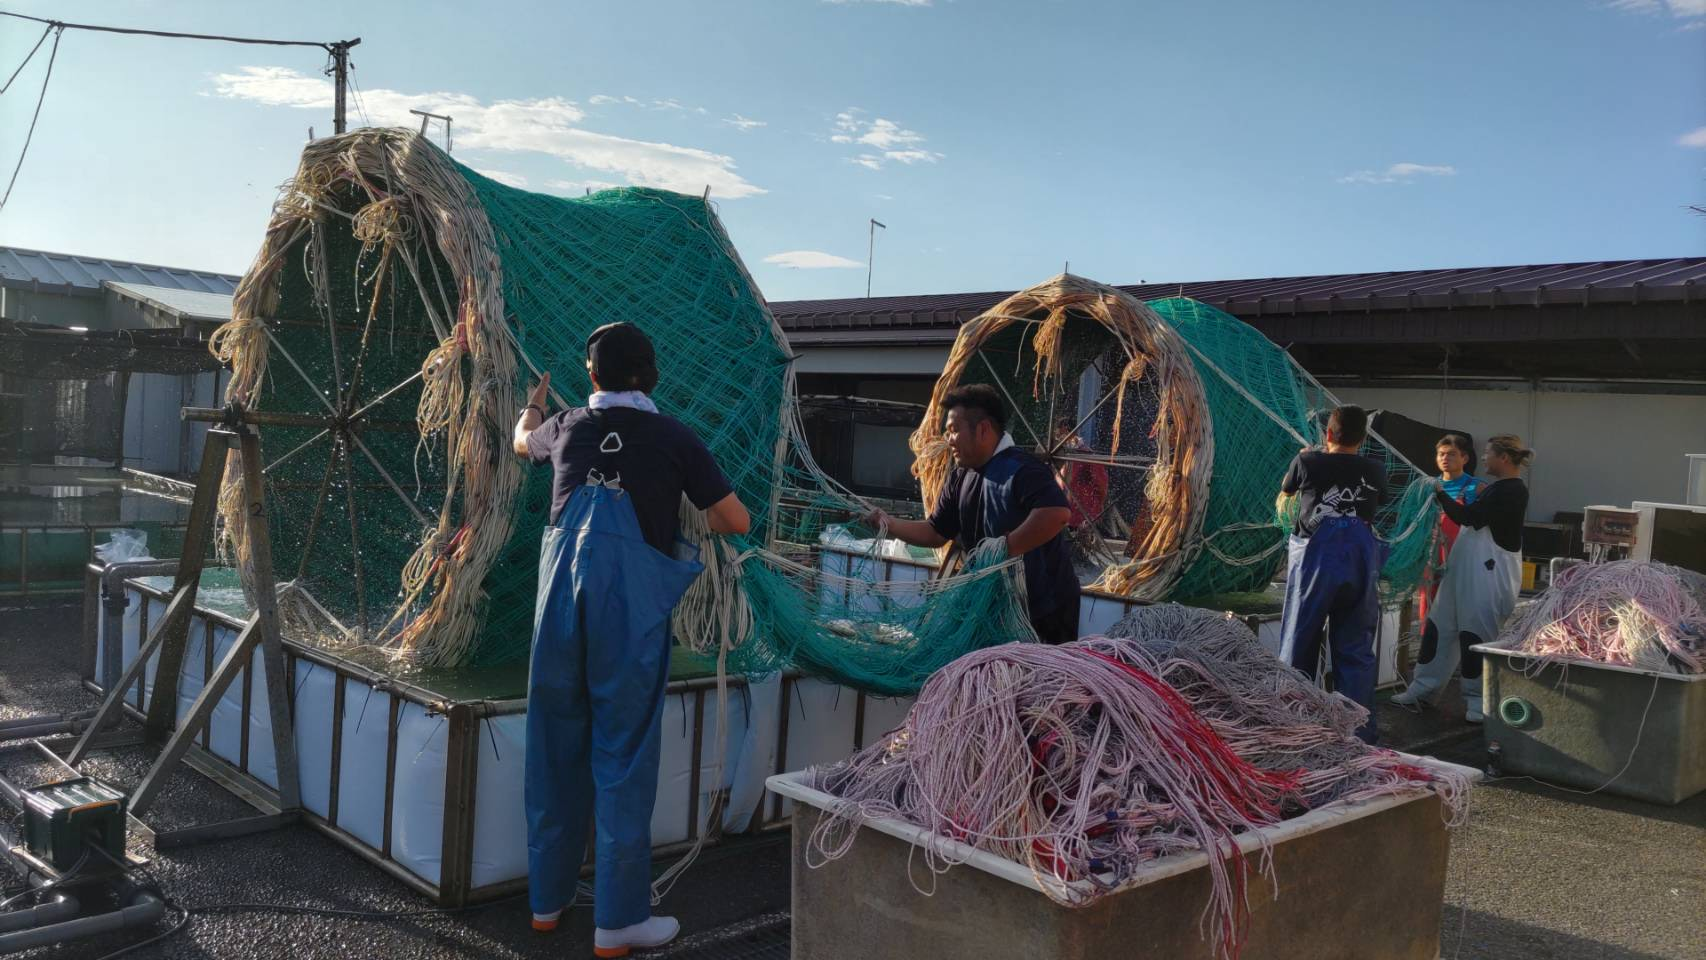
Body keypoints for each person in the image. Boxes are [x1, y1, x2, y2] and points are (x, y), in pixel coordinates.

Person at [512, 322, 750, 955]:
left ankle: (546, 903)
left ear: (592, 376)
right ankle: (617, 922)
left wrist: (535, 401)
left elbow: (519, 443)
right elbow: (735, 518)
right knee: (623, 757)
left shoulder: (562, 426)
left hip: (557, 608)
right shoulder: (674, 436)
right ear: (652, 375)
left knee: (553, 746)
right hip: (629, 612)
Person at [865, 384, 1081, 644]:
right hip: (992, 609)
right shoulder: (961, 475)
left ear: (983, 430)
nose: (949, 440)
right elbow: (936, 532)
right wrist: (886, 523)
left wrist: (1002, 550)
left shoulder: (1022, 469)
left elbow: (1056, 513)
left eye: (954, 430)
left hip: (1043, 613)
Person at [1392, 435, 1533, 722]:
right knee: (1439, 627)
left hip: (1487, 575)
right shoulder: (1495, 489)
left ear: (1503, 458)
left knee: (1475, 635)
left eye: (1487, 454)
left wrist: (1440, 493)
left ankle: (1478, 699)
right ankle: (1423, 687)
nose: (1484, 458)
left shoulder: (1512, 491)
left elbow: (1470, 517)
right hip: (1462, 571)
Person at [1276, 405, 1387, 744]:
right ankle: (1358, 731)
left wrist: (1307, 457)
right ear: (1363, 438)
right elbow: (1378, 503)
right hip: (1360, 558)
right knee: (1355, 646)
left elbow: (1287, 493)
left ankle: (1293, 723)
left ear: (1328, 433)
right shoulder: (1376, 468)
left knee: (1299, 639)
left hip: (1315, 558)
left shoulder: (1308, 461)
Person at [1392, 434, 1485, 707]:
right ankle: (1424, 681)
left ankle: (1471, 686)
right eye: (1442, 453)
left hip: (1463, 564)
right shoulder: (1425, 487)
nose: (1446, 458)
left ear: (1465, 458)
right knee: (1429, 618)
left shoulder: (1475, 488)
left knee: (1466, 621)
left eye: (1452, 454)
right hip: (1432, 560)